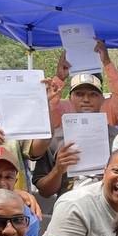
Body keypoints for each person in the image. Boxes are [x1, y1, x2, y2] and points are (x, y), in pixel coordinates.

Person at [28, 72, 101, 201]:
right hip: (68, 209)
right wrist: (58, 169)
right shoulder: (54, 139)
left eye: (93, 94)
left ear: (102, 99)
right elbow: (44, 191)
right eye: (79, 94)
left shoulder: (117, 138)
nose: (86, 99)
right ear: (70, 98)